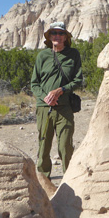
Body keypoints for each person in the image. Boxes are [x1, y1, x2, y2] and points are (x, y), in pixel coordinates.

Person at [31, 21, 83, 179]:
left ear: (66, 37)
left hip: (65, 107)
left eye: (61, 33)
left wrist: (60, 90)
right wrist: (46, 97)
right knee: (44, 145)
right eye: (54, 33)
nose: (57, 36)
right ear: (49, 36)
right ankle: (43, 181)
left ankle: (70, 179)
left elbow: (78, 80)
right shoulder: (43, 56)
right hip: (44, 108)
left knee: (66, 145)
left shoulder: (73, 54)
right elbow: (34, 83)